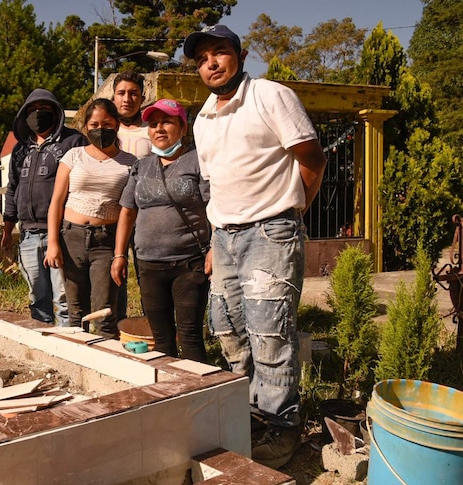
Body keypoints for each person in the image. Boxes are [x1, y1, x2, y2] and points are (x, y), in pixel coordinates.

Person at [184, 25, 327, 468]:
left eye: (220, 52)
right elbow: (216, 184)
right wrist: (215, 241)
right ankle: (247, 415)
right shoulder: (204, 116)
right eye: (203, 56)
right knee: (226, 328)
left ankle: (282, 429)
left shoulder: (270, 95)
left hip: (270, 232)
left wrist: (290, 213)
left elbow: (313, 158)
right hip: (223, 237)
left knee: (270, 334)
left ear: (240, 56)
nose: (211, 62)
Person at [111, 99, 211, 361]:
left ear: (182, 127)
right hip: (149, 264)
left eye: (166, 121)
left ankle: (200, 393)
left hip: (189, 263)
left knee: (189, 334)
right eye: (153, 124)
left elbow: (214, 207)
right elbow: (128, 211)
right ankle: (169, 391)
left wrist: (215, 250)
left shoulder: (197, 162)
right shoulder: (141, 166)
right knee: (161, 336)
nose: (159, 129)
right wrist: (119, 254)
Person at [45, 98, 137, 338]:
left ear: (116, 124)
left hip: (106, 241)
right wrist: (53, 243)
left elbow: (129, 210)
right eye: (94, 124)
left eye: (106, 123)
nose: (100, 129)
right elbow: (56, 201)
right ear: (86, 127)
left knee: (105, 313)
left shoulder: (130, 163)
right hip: (71, 237)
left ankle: (106, 367)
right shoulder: (73, 156)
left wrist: (120, 253)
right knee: (76, 313)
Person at [3, 89, 88, 326]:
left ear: (56, 113)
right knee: (37, 298)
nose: (38, 114)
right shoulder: (20, 149)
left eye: (45, 109)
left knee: (65, 298)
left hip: (62, 234)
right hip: (28, 235)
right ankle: (45, 346)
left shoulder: (73, 142)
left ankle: (69, 349)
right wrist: (7, 231)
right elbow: (12, 188)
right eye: (32, 110)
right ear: (24, 115)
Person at [110, 71, 152, 322]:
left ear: (142, 97)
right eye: (122, 93)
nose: (127, 99)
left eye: (133, 93)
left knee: (148, 276)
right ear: (114, 97)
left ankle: (153, 329)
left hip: (145, 216)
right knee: (115, 274)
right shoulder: (104, 128)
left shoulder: (152, 129)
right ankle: (117, 328)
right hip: (111, 215)